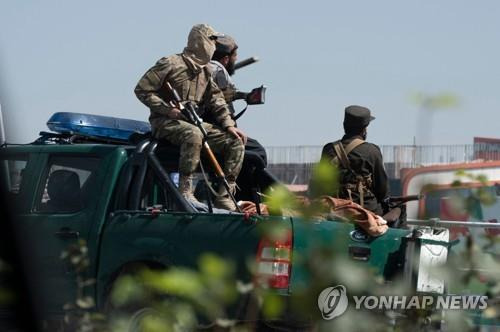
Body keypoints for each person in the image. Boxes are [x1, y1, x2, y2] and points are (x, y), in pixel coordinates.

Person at [134, 24, 247, 211]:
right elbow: (142, 90)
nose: (214, 45)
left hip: (192, 121)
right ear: (200, 40)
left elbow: (216, 99)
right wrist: (167, 110)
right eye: (212, 40)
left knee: (235, 142)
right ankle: (185, 190)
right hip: (165, 122)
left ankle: (225, 196)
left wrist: (229, 125)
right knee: (194, 135)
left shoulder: (205, 70)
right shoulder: (170, 63)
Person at [207, 34, 268, 166]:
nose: (236, 59)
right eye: (235, 56)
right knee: (258, 151)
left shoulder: (202, 68)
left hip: (208, 127)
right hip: (215, 129)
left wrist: (246, 96)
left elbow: (224, 94)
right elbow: (220, 98)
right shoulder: (218, 71)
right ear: (226, 59)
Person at [318, 105, 389, 215]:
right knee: (399, 209)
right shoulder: (372, 151)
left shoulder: (328, 149)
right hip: (364, 209)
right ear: (364, 129)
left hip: (334, 208)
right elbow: (382, 191)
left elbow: (320, 183)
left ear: (344, 125)